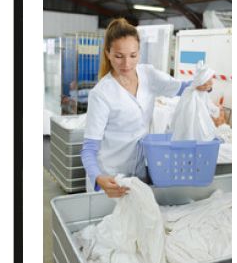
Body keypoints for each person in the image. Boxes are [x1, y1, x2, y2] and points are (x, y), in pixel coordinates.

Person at [81, 18, 191, 198]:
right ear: (108, 53)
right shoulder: (101, 94)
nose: (126, 64)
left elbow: (181, 88)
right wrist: (98, 177)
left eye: (132, 55)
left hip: (138, 173)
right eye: (118, 56)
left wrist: (203, 83)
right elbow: (89, 149)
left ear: (139, 53)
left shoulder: (148, 75)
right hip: (110, 178)